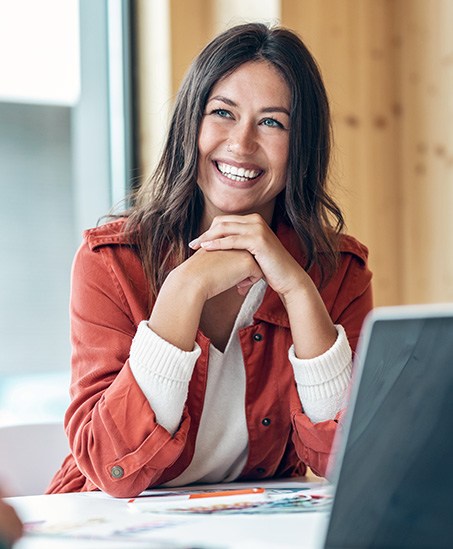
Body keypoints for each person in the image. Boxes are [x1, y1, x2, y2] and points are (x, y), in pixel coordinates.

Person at [48, 22, 372, 498]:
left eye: (272, 122)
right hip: (104, 521)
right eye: (222, 113)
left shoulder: (337, 270)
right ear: (190, 124)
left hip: (249, 528)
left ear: (300, 146)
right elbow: (111, 465)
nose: (241, 144)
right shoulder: (111, 262)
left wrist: (299, 290)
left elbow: (349, 459)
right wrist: (185, 288)